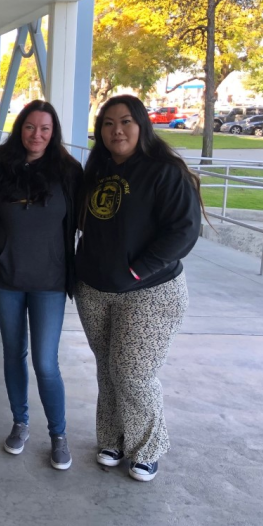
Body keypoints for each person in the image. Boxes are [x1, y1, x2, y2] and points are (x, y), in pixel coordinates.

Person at [75, 94, 202, 482]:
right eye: (109, 123)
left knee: (133, 373)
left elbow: (183, 230)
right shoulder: (97, 167)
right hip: (95, 290)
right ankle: (112, 438)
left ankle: (148, 447)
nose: (117, 130)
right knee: (107, 369)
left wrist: (136, 272)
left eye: (126, 121)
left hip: (149, 291)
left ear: (142, 125)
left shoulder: (164, 171)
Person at [0, 100, 82, 471]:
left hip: (49, 282)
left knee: (46, 362)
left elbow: (91, 220)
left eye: (45, 129)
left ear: (54, 133)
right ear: (20, 128)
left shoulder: (68, 170)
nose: (37, 135)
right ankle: (20, 423)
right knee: (13, 353)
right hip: (6, 279)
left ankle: (58, 434)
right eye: (30, 127)